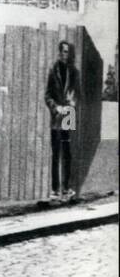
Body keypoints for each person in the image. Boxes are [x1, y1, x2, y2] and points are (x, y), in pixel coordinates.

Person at [44, 40, 80, 201]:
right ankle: (54, 190)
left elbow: (77, 93)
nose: (66, 54)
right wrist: (56, 107)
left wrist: (74, 102)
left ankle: (65, 189)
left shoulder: (74, 72)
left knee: (67, 153)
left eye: (68, 52)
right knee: (56, 153)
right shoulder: (53, 70)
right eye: (64, 51)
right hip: (57, 116)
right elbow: (47, 95)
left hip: (69, 115)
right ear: (59, 53)